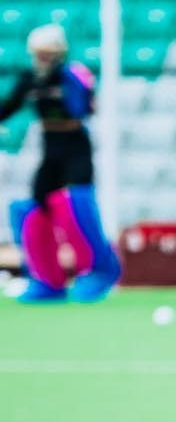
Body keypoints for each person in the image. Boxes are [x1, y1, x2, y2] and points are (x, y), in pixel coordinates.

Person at [2, 22, 121, 302]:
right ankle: (46, 279)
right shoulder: (30, 79)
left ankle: (99, 270)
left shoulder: (72, 76)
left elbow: (80, 107)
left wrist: (60, 82)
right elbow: (8, 106)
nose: (41, 60)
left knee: (76, 202)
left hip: (75, 145)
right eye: (37, 54)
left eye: (47, 54)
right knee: (36, 207)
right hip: (50, 147)